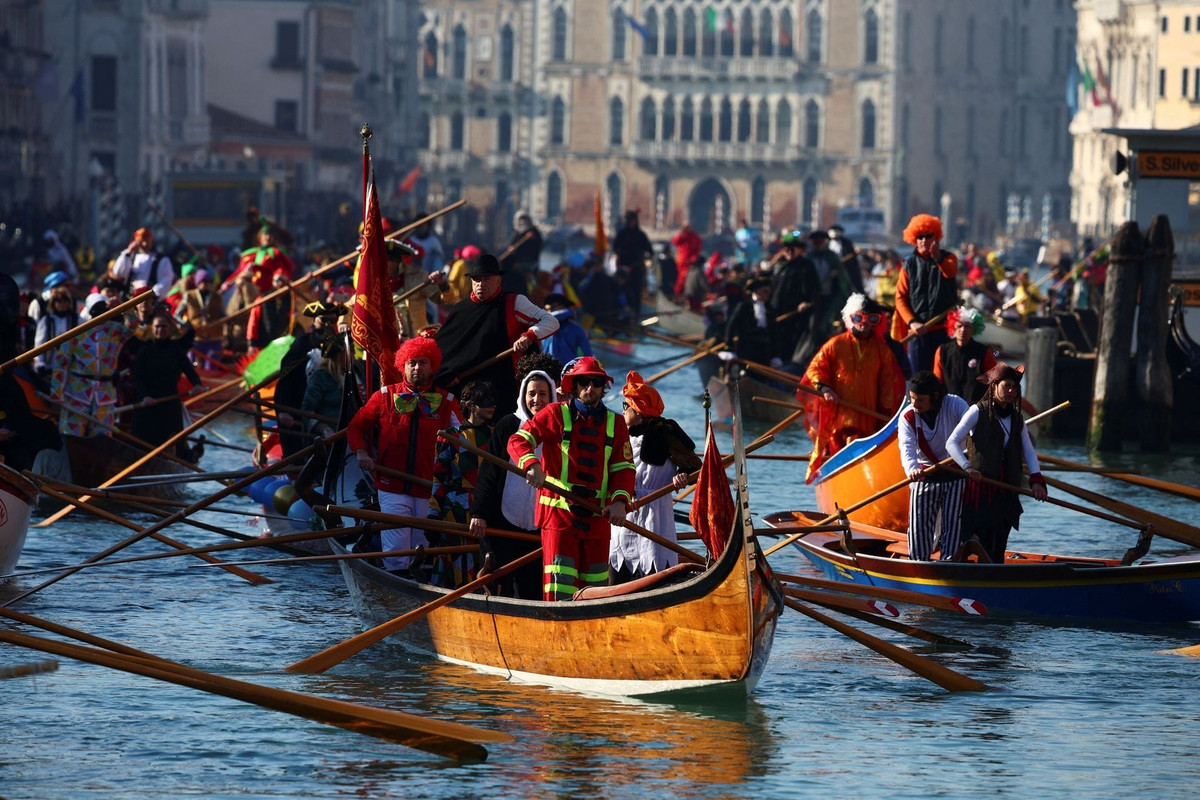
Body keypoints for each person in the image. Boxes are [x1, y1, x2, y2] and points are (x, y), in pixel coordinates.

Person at [508, 356, 635, 601]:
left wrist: (620, 502)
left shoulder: (617, 423)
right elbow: (519, 441)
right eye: (584, 382)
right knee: (560, 591)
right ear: (573, 386)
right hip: (559, 520)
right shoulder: (553, 413)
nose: (590, 388)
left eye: (596, 382)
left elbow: (624, 467)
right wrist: (531, 465)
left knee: (597, 594)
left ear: (603, 387)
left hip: (597, 523)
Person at [348, 336, 461, 576]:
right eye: (412, 363)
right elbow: (356, 427)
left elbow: (464, 442)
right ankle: (398, 587)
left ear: (432, 366)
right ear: (403, 366)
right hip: (391, 485)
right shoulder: (384, 396)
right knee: (397, 550)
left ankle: (421, 588)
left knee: (423, 549)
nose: (417, 368)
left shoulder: (448, 402)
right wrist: (361, 452)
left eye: (422, 363)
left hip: (429, 488)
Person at [470, 353, 561, 598]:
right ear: (523, 396)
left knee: (531, 589)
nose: (537, 400)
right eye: (531, 394)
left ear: (551, 396)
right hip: (503, 522)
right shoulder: (508, 425)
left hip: (539, 527)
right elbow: (489, 474)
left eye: (542, 394)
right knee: (498, 584)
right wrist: (479, 513)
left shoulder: (560, 429)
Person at [433, 252, 559, 417]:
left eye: (486, 279)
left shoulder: (514, 302)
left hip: (505, 388)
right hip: (465, 392)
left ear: (498, 280)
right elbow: (446, 348)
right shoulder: (461, 309)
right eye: (476, 280)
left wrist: (529, 335)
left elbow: (551, 321)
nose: (481, 284)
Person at [946, 363, 1048, 563]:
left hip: (1007, 488)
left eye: (1014, 387)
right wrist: (967, 468)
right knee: (981, 540)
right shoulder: (976, 411)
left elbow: (1028, 451)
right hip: (981, 487)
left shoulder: (1017, 419)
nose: (1011, 391)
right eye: (1006, 386)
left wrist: (1036, 480)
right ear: (993, 386)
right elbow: (951, 443)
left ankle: (995, 573)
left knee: (999, 541)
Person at [803, 293, 905, 480]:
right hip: (838, 417)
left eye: (871, 319)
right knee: (839, 448)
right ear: (850, 319)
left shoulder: (883, 352)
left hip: (868, 418)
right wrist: (825, 389)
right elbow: (815, 368)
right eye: (858, 318)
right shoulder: (835, 344)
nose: (864, 323)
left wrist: (886, 415)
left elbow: (888, 387)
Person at [609, 371, 699, 583]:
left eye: (625, 407)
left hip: (656, 513)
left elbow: (695, 468)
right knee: (619, 566)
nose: (622, 412)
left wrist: (681, 476)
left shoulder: (666, 435)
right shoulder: (620, 435)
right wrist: (622, 496)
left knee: (654, 568)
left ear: (638, 412)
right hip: (625, 510)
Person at [427, 380, 497, 586]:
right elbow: (438, 478)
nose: (493, 405)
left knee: (485, 561)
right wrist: (433, 513)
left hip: (488, 512)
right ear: (470, 406)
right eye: (486, 401)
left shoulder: (497, 436)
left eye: (493, 400)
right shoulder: (450, 437)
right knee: (454, 567)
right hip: (455, 513)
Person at [897, 371, 969, 562]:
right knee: (918, 526)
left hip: (955, 474)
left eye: (920, 399)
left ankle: (950, 564)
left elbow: (973, 428)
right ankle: (919, 564)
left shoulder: (955, 404)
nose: (914, 404)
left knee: (953, 524)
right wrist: (912, 468)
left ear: (935, 396)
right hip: (924, 475)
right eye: (912, 398)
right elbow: (907, 448)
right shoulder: (907, 416)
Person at [276, 300, 349, 457]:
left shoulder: (341, 343)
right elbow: (286, 375)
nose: (329, 324)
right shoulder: (303, 343)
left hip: (330, 408)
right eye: (324, 320)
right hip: (301, 406)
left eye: (333, 320)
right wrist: (282, 410)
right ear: (314, 321)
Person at [49, 297, 130, 437]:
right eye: (96, 309)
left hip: (104, 395)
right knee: (71, 437)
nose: (100, 313)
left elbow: (136, 328)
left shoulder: (115, 332)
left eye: (103, 309)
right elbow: (61, 364)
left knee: (103, 441)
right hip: (76, 393)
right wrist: (56, 394)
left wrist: (124, 306)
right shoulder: (76, 334)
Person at [891, 214, 959, 375]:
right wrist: (912, 322)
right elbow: (900, 298)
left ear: (936, 237)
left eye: (928, 236)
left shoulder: (949, 258)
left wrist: (937, 258)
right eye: (919, 237)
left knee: (942, 379)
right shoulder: (908, 264)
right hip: (917, 333)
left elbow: (950, 272)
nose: (924, 240)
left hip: (944, 331)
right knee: (919, 379)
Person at [130, 313, 203, 456]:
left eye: (164, 326)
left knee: (176, 440)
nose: (160, 330)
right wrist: (145, 396)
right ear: (152, 328)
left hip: (170, 401)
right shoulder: (144, 350)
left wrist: (196, 385)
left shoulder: (176, 349)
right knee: (143, 441)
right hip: (147, 402)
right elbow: (137, 377)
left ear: (169, 328)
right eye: (157, 326)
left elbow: (189, 370)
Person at [769, 231, 820, 373]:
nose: (789, 252)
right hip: (778, 313)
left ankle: (791, 372)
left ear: (800, 250)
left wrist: (807, 302)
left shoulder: (806, 266)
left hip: (797, 316)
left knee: (794, 344)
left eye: (793, 248)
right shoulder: (778, 265)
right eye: (786, 248)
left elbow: (815, 289)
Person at [933, 307, 998, 404]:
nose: (963, 330)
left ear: (973, 329)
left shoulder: (984, 351)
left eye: (967, 326)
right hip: (949, 406)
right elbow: (937, 382)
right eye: (959, 326)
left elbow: (994, 381)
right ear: (953, 328)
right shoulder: (942, 351)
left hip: (976, 407)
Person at [723, 276, 781, 366]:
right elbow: (731, 326)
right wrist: (728, 348)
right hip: (746, 350)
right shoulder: (744, 306)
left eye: (769, 291)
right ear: (757, 291)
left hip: (764, 352)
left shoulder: (770, 310)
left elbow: (774, 333)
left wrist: (775, 355)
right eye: (765, 291)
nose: (768, 294)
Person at [110, 228, 176, 301]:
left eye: (147, 241)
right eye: (141, 241)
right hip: (130, 300)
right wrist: (128, 253)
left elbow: (166, 281)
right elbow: (119, 273)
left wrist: (151, 296)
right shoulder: (131, 257)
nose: (145, 244)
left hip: (150, 301)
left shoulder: (161, 259)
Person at [611, 209, 654, 320]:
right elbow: (614, 248)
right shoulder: (622, 234)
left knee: (636, 293)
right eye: (628, 220)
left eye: (631, 220)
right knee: (622, 291)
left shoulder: (641, 235)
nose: (630, 222)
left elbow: (650, 251)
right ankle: (622, 316)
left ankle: (636, 317)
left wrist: (646, 258)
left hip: (637, 269)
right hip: (623, 269)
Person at [176, 269, 225, 360]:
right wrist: (186, 326)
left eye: (210, 281)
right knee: (191, 365)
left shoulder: (217, 297)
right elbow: (177, 315)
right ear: (198, 282)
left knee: (212, 368)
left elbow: (223, 315)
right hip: (196, 338)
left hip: (214, 338)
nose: (207, 284)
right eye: (204, 281)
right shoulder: (189, 296)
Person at [498, 212, 544, 294]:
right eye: (520, 221)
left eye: (524, 221)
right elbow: (513, 245)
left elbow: (539, 244)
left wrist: (533, 238)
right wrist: (511, 249)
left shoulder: (534, 232)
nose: (522, 223)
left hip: (530, 262)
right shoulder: (517, 233)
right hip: (517, 262)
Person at [542, 292, 594, 365]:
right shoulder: (542, 327)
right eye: (548, 309)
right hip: (547, 371)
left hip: (568, 371)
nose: (550, 312)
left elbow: (589, 356)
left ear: (563, 307)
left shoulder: (576, 329)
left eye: (554, 307)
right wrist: (570, 312)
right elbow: (551, 318)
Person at [670, 223, 703, 298]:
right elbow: (675, 241)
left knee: (687, 279)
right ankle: (678, 295)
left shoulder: (695, 237)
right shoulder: (682, 236)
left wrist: (694, 259)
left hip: (690, 264)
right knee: (679, 280)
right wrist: (681, 232)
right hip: (681, 262)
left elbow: (698, 249)